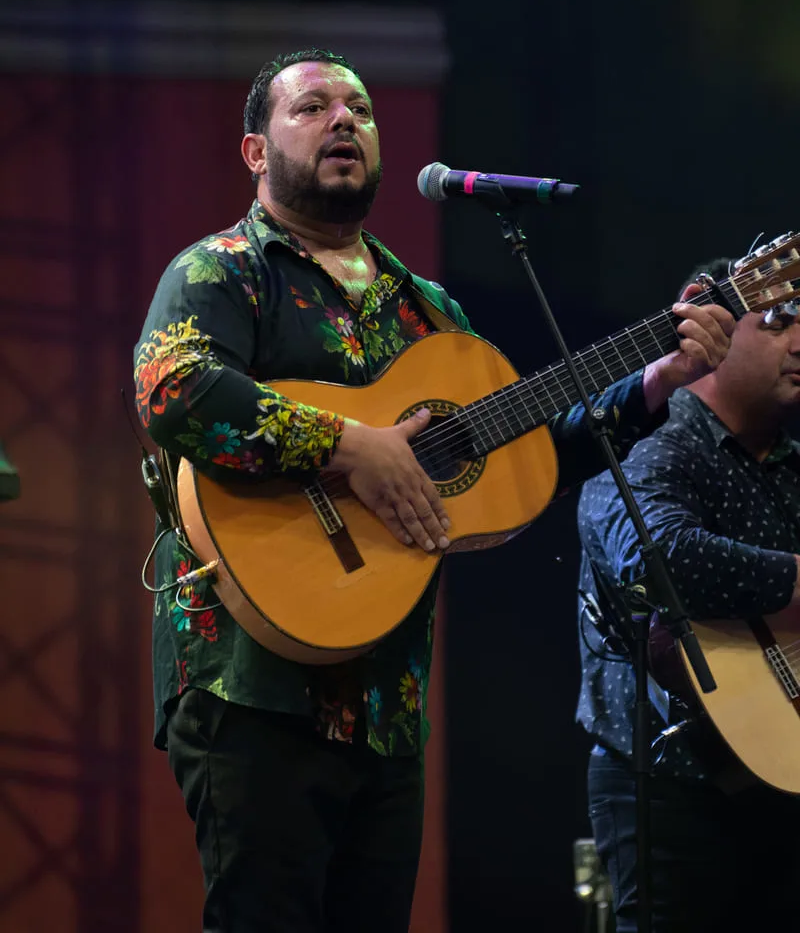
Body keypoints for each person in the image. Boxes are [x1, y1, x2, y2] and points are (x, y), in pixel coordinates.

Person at [133, 49, 733, 933]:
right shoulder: (221, 270)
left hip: (389, 701)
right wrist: (352, 447)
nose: (345, 119)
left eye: (361, 108)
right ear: (256, 152)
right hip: (254, 682)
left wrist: (659, 379)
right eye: (313, 108)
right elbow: (174, 390)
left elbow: (525, 460)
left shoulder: (431, 314)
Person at [576, 256, 800, 933]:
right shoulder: (647, 439)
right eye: (781, 321)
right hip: (671, 787)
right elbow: (659, 560)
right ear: (707, 322)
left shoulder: (790, 462)